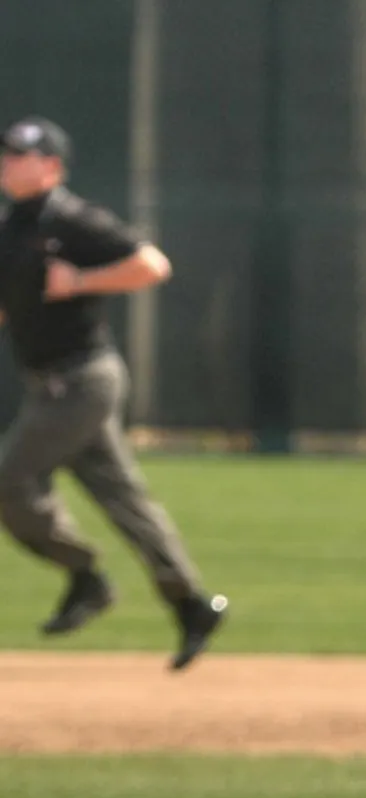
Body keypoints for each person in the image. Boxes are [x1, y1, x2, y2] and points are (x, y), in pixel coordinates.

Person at [0, 116, 228, 671]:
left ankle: (85, 576)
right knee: (124, 499)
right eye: (5, 153)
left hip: (82, 380)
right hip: (53, 383)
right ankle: (192, 604)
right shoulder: (12, 228)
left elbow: (152, 265)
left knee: (9, 480)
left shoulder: (73, 219)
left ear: (51, 166)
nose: (6, 162)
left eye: (18, 155)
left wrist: (79, 280)